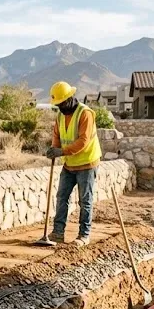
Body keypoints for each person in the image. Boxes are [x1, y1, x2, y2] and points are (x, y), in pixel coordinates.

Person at [45, 81, 102, 248]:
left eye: (61, 103)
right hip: (69, 164)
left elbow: (83, 141)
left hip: (87, 163)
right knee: (62, 196)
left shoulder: (85, 114)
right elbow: (57, 134)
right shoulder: (61, 115)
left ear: (70, 99)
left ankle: (84, 235)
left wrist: (61, 152)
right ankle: (58, 232)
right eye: (57, 105)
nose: (60, 107)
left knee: (85, 200)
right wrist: (54, 149)